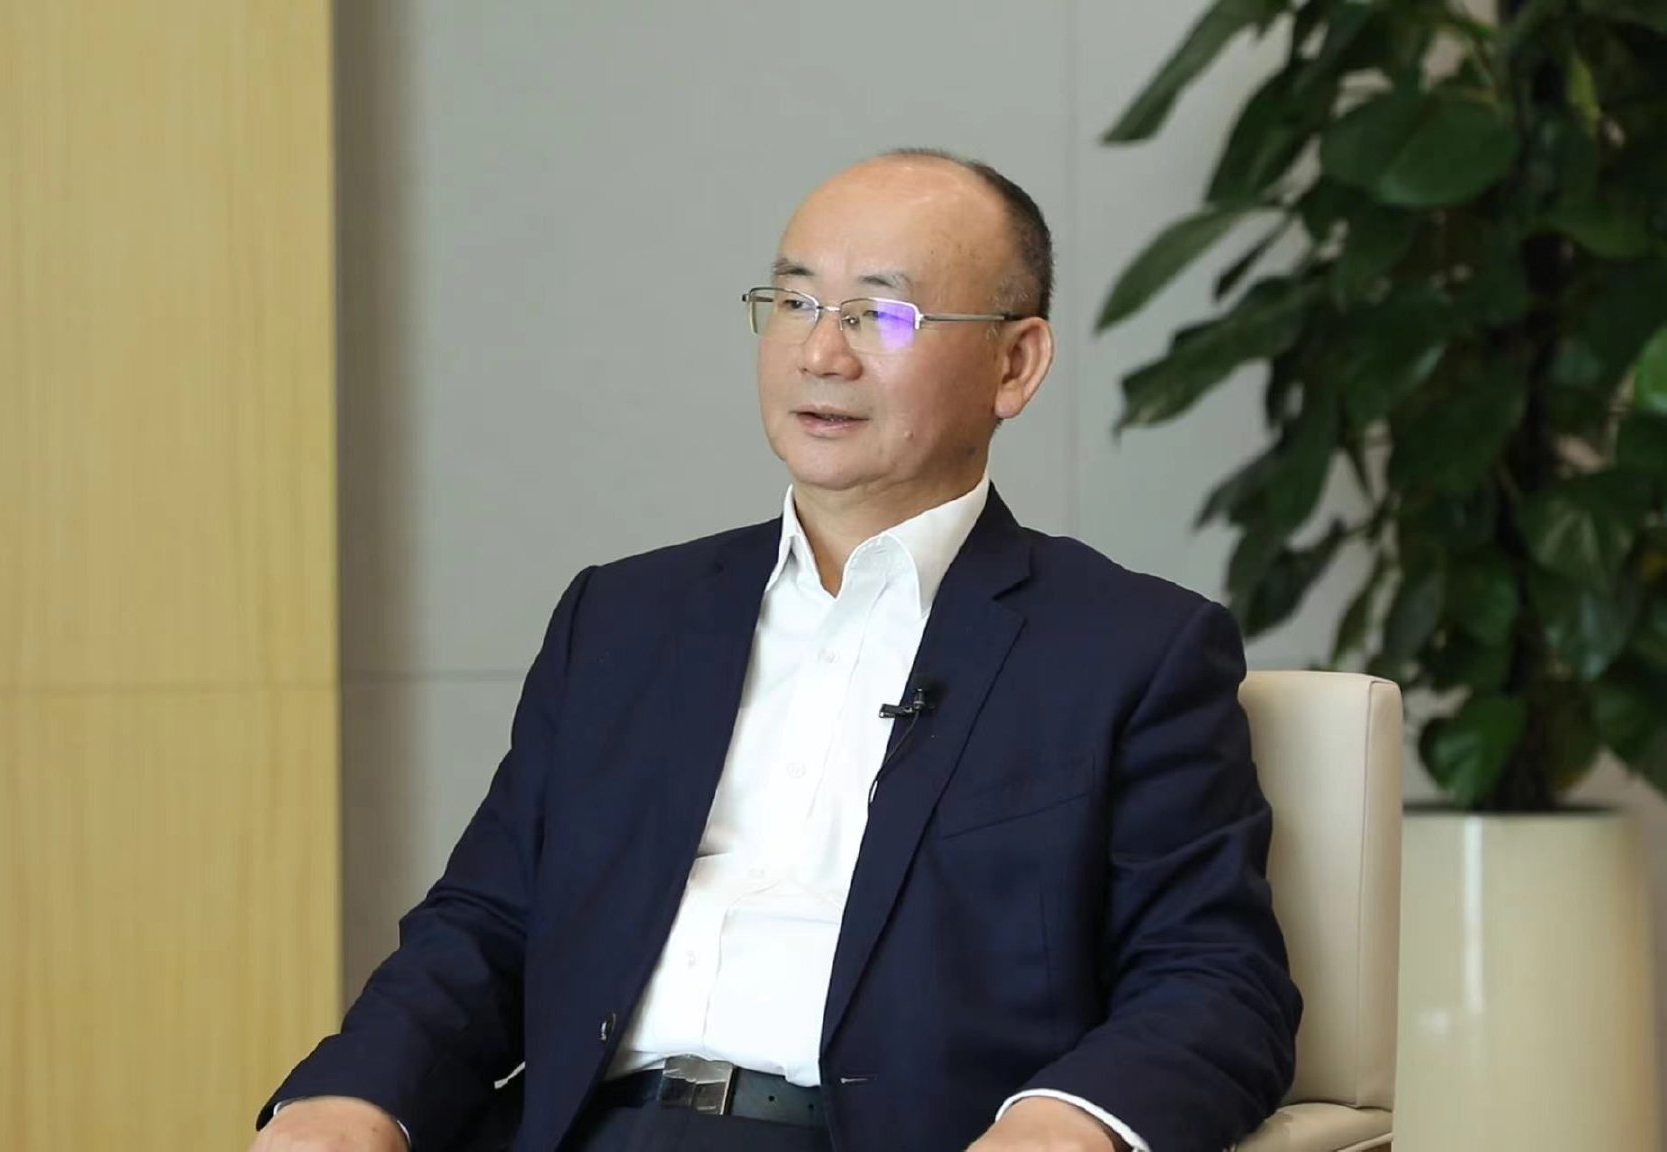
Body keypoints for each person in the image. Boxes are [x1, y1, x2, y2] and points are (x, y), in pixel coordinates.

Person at [249, 149, 1300, 1152]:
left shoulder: (1126, 650)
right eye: (794, 302)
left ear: (1013, 363)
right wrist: (355, 1094)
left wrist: (1065, 1120)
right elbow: (486, 923)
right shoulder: (624, 619)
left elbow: (1211, 977)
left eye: (880, 313)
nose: (820, 354)